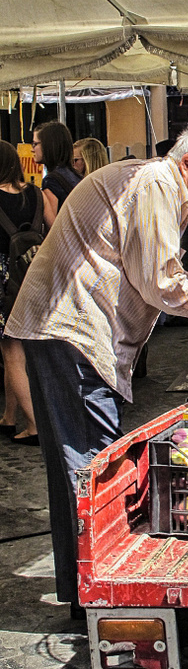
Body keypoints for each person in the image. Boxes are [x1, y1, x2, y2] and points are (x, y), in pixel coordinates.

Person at [5, 125, 188, 615]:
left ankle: (82, 589)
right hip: (72, 329)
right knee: (88, 464)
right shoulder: (156, 182)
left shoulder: (156, 183)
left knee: (83, 461)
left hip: (71, 329)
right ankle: (97, 591)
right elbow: (160, 280)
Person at [0, 142, 39, 445]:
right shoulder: (36, 194)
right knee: (16, 350)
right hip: (33, 277)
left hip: (4, 283)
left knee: (12, 354)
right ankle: (9, 416)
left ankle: (34, 424)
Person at [31, 121, 80, 228]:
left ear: (49, 146)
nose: (32, 149)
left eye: (35, 144)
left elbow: (52, 226)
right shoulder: (75, 175)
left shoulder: (52, 181)